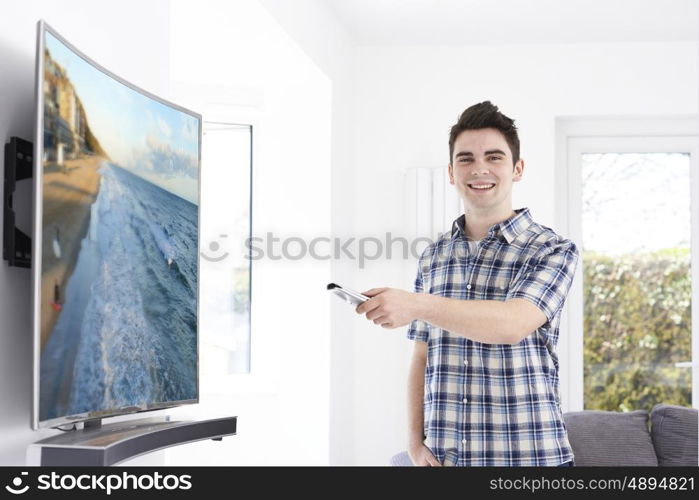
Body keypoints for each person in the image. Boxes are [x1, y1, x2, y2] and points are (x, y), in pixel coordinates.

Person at [356, 101, 579, 467]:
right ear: (451, 172)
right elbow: (422, 355)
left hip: (530, 460)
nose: (479, 169)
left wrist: (417, 304)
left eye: (494, 157)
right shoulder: (434, 256)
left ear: (517, 169)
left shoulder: (552, 249)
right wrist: (414, 442)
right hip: (447, 460)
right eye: (466, 159)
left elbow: (512, 325)